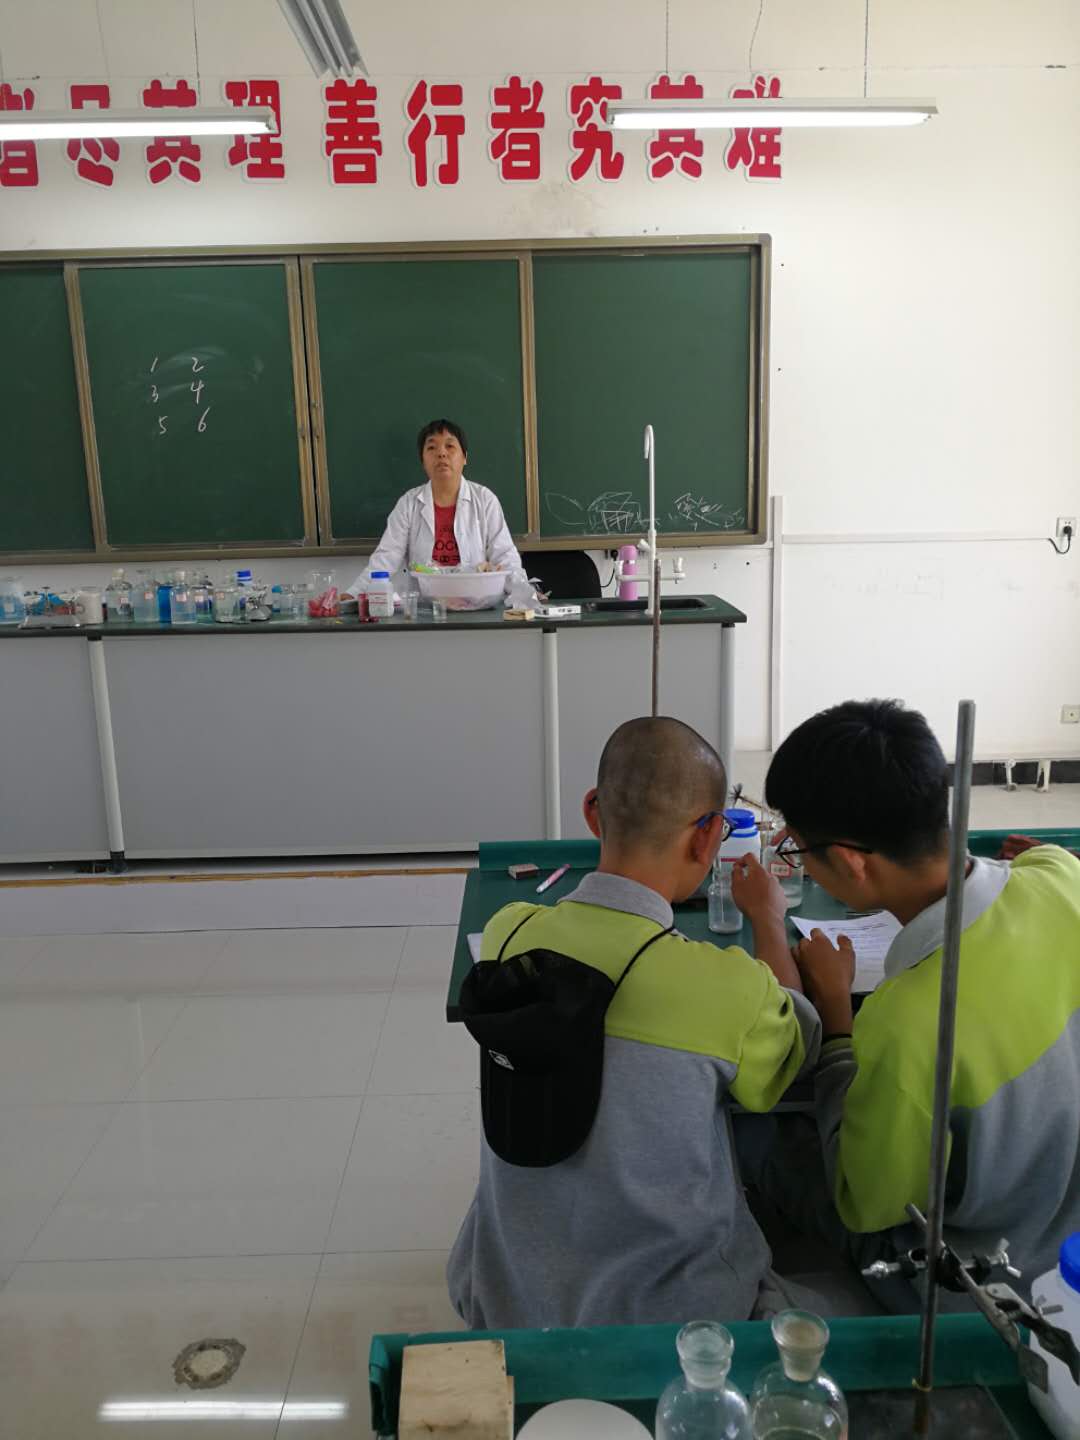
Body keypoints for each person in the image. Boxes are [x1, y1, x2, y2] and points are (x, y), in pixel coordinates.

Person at [447, 716, 822, 1330]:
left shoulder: (508, 933)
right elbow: (796, 1049)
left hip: (505, 1298)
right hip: (674, 1318)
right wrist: (768, 920)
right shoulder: (728, 988)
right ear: (708, 838)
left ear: (593, 813)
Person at [746, 698, 1080, 1304]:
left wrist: (838, 1024)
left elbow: (867, 1202)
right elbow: (1041, 863)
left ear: (851, 862)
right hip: (1064, 1229)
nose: (798, 862)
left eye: (798, 849)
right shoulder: (1061, 874)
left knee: (754, 1132)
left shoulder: (909, 1022)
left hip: (982, 1278)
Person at [346, 418, 520, 592]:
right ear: (423, 460)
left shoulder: (484, 499)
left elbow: (505, 556)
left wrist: (523, 592)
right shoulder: (408, 503)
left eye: (450, 446)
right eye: (431, 447)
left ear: (465, 457)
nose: (441, 453)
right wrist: (354, 593)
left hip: (477, 599)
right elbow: (386, 557)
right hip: (426, 604)